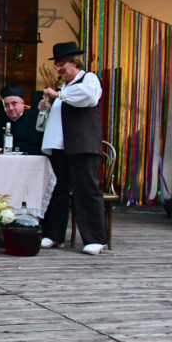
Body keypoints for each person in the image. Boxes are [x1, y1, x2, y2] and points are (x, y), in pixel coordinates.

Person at [38, 42, 108, 255]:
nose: (58, 69)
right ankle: (54, 235)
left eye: (61, 64)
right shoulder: (65, 87)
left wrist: (58, 96)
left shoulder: (89, 79)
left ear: (74, 62)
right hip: (60, 147)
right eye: (57, 65)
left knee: (86, 190)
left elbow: (87, 97)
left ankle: (95, 238)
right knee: (57, 190)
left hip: (82, 146)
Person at [0, 83, 44, 155]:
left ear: (22, 103)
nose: (11, 108)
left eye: (14, 103)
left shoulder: (36, 119)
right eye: (7, 105)